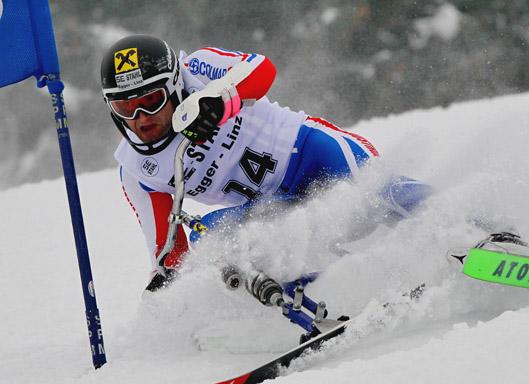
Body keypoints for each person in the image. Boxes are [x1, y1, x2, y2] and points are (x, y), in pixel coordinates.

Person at [99, 34, 441, 295]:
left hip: (312, 153)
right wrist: (163, 292)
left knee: (375, 193)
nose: (141, 118)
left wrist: (219, 103)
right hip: (273, 205)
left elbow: (262, 69)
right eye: (125, 108)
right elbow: (169, 253)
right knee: (213, 237)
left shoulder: (198, 68)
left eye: (151, 101)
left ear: (174, 85)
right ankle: (321, 296)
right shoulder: (137, 171)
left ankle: (464, 240)